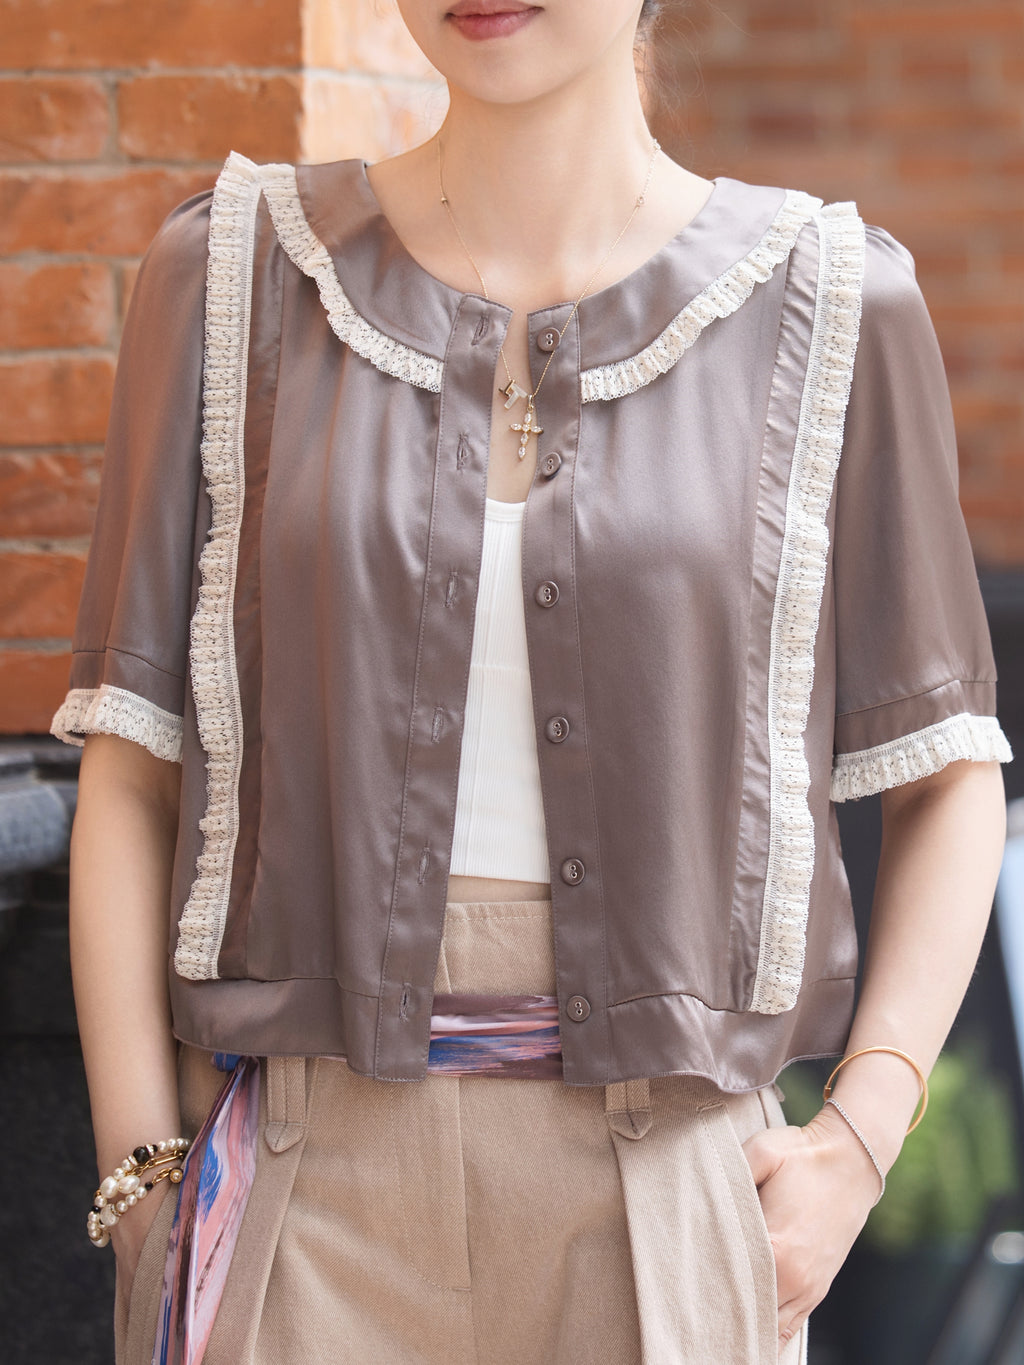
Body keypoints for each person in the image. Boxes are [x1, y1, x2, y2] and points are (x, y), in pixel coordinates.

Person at [52, 1, 1012, 1361]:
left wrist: (857, 1146)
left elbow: (948, 777)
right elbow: (132, 764)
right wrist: (148, 1193)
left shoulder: (829, 300)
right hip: (302, 1199)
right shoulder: (233, 274)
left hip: (665, 1198)